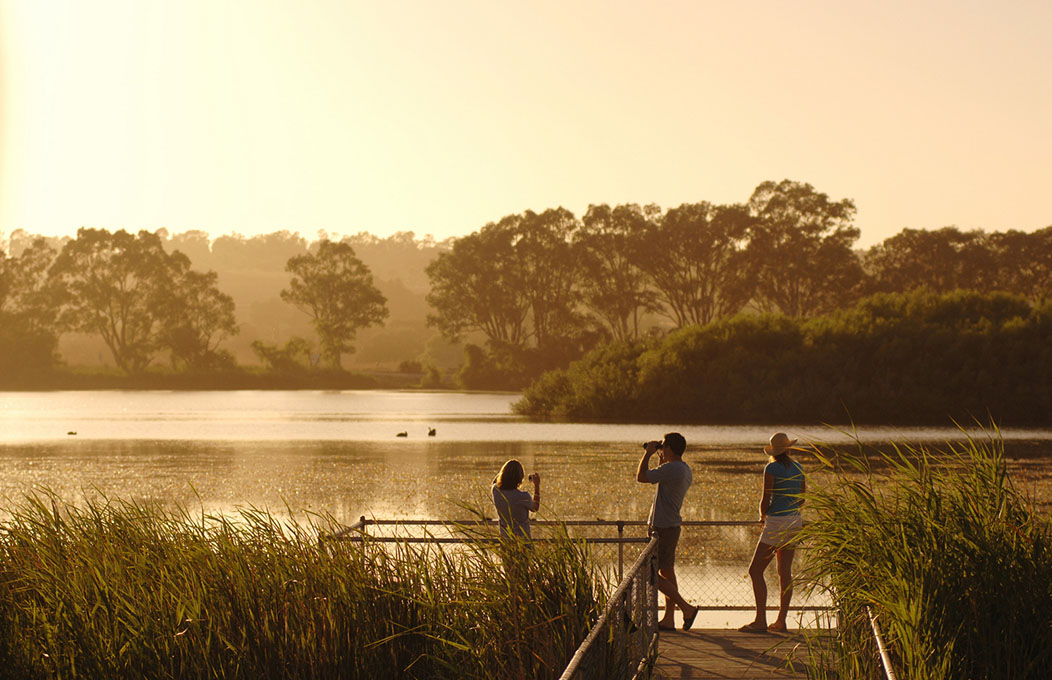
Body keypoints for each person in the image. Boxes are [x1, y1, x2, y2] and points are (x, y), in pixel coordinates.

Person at [739, 432, 806, 633]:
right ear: (788, 449)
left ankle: (760, 620)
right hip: (795, 522)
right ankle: (781, 621)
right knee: (784, 572)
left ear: (774, 451)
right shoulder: (798, 467)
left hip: (776, 522)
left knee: (755, 570)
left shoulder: (771, 468)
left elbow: (765, 498)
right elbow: (802, 498)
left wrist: (762, 516)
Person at [637, 433, 699, 631]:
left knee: (650, 574)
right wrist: (661, 457)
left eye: (663, 446)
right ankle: (669, 618)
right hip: (671, 526)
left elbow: (642, 477)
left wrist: (647, 454)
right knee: (667, 571)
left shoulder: (671, 468)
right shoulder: (683, 468)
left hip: (661, 527)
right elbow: (662, 475)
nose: (661, 448)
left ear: (670, 447)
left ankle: (686, 608)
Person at [491, 459, 540, 539]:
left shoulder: (496, 492)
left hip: (505, 540)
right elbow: (535, 508)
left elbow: (494, 482)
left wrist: (504, 471)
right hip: (523, 541)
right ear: (520, 478)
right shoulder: (524, 496)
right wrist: (537, 486)